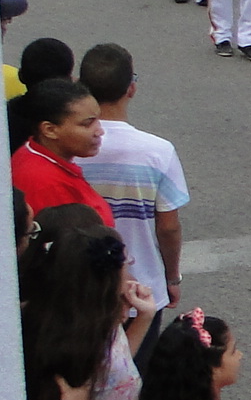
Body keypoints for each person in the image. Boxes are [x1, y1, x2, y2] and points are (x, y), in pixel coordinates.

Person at [20, 219, 154, 400]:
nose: (130, 270)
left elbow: (116, 364)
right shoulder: (77, 341)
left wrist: (144, 317)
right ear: (104, 279)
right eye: (126, 263)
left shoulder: (97, 317)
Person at [76, 42, 188, 318]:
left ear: (80, 86)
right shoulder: (158, 151)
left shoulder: (70, 148)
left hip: (81, 286)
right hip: (142, 289)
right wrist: (172, 277)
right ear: (131, 88)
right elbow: (169, 227)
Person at [14, 79, 118, 225]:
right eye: (87, 123)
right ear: (50, 130)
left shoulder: (36, 156)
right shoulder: (46, 185)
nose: (99, 131)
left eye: (98, 120)